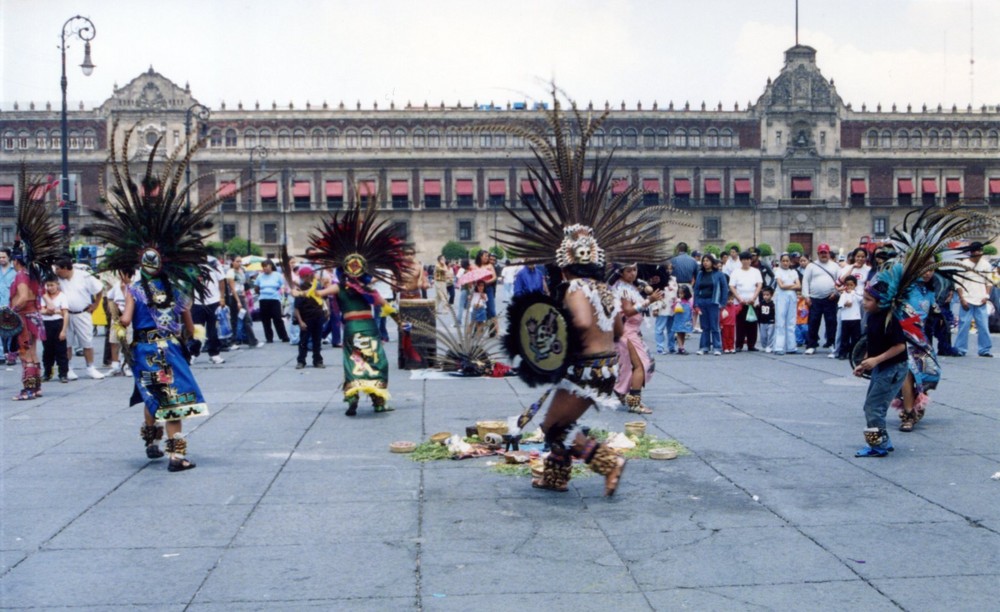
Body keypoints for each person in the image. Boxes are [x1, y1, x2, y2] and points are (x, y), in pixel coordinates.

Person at [82, 124, 235, 471]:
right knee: (175, 399)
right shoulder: (179, 290)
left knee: (152, 393)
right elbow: (189, 322)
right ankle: (177, 455)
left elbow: (123, 322)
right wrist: (192, 342)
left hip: (146, 350)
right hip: (171, 348)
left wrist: (118, 301)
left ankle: (151, 443)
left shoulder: (135, 290)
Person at [301, 197, 410, 417]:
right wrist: (401, 322)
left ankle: (352, 396)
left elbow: (315, 295)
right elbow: (387, 307)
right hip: (369, 328)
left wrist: (310, 285)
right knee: (377, 361)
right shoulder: (370, 290)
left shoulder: (338, 287)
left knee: (354, 361)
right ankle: (378, 401)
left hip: (351, 329)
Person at [852, 286, 908, 458]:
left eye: (868, 300)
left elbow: (900, 346)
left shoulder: (889, 319)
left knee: (873, 407)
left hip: (893, 368)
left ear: (880, 302)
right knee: (874, 405)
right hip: (882, 367)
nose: (864, 302)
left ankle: (878, 446)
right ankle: (884, 441)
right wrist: (864, 362)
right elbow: (873, 342)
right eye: (864, 298)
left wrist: (876, 360)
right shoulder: (872, 316)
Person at [612, 263, 663, 413]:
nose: (633, 273)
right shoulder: (622, 289)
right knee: (641, 365)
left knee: (633, 366)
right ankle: (634, 403)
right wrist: (649, 301)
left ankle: (622, 391)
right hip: (627, 333)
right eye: (629, 270)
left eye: (635, 270)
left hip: (631, 332)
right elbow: (628, 311)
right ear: (621, 272)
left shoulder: (628, 286)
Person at [54, 256, 106, 379]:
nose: (56, 272)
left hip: (82, 313)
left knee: (87, 341)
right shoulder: (58, 278)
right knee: (67, 343)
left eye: (58, 269)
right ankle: (68, 368)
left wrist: (96, 304)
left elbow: (99, 289)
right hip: (66, 314)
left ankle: (90, 368)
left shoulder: (84, 276)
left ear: (66, 268)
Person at [954, 241, 994, 358]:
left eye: (980, 251)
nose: (978, 253)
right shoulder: (963, 264)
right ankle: (960, 349)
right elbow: (958, 283)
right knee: (964, 325)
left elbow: (989, 282)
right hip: (967, 299)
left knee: (983, 326)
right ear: (971, 252)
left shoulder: (986, 264)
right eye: (976, 251)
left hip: (981, 299)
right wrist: (962, 298)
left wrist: (986, 296)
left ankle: (984, 349)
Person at [801, 243, 840, 355]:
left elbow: (840, 281)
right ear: (818, 254)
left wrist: (836, 293)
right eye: (821, 253)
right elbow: (805, 281)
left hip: (830, 298)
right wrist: (806, 296)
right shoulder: (811, 266)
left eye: (825, 252)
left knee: (831, 322)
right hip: (814, 299)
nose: (823, 255)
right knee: (813, 322)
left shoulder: (835, 266)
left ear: (828, 253)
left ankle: (832, 343)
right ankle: (811, 345)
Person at [191, 255, 227, 364]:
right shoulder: (190, 261)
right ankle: (193, 353)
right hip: (197, 302)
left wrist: (222, 297)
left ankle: (214, 354)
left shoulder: (213, 262)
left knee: (213, 330)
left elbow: (221, 280)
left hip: (213, 301)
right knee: (197, 329)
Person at [693, 254, 728, 355]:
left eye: (707, 261)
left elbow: (724, 289)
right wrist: (695, 303)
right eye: (704, 261)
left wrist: (723, 303)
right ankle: (704, 346)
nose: (705, 263)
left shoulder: (719, 274)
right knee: (704, 326)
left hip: (714, 302)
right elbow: (696, 289)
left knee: (714, 325)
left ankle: (717, 347)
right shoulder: (700, 274)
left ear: (712, 262)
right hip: (702, 301)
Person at [293, 266, 327, 369]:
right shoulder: (300, 289)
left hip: (318, 316)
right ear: (305, 276)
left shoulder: (318, 286)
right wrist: (300, 321)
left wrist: (327, 310)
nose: (311, 276)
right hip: (306, 318)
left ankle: (318, 360)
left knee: (317, 340)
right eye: (308, 275)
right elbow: (296, 308)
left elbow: (324, 299)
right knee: (304, 341)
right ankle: (301, 361)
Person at [729, 251, 763, 351]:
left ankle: (751, 344)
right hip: (740, 302)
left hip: (753, 301)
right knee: (740, 324)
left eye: (748, 259)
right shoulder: (736, 272)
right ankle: (739, 344)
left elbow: (759, 285)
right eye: (743, 259)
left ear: (750, 260)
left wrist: (754, 297)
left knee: (752, 324)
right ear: (741, 260)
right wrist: (739, 299)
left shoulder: (755, 271)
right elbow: (732, 286)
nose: (746, 261)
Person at [39, 275, 70, 383]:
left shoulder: (62, 296)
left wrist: (63, 330)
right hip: (46, 324)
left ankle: (63, 373)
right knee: (47, 351)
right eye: (48, 285)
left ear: (57, 285)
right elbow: (42, 310)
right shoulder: (44, 297)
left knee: (61, 351)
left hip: (58, 324)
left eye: (52, 285)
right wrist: (55, 310)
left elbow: (65, 314)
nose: (50, 288)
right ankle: (47, 372)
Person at [255, 259, 289, 343]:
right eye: (263, 267)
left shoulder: (277, 275)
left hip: (274, 298)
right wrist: (262, 292)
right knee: (265, 319)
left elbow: (282, 285)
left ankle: (283, 336)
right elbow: (257, 288)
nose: (265, 268)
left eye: (266, 266)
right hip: (263, 299)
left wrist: (281, 291)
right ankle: (269, 337)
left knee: (277, 318)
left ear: (271, 266)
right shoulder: (260, 276)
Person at [773, 253, 800, 355]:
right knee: (780, 321)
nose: (785, 263)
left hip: (792, 297)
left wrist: (788, 286)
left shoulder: (793, 272)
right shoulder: (778, 272)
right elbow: (781, 286)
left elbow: (798, 285)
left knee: (791, 321)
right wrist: (792, 285)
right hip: (781, 297)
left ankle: (791, 347)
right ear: (780, 262)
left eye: (787, 261)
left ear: (790, 262)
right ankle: (779, 347)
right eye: (783, 261)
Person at [652, 262, 678, 354]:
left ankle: (671, 347)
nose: (669, 271)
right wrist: (655, 307)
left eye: (671, 269)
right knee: (660, 328)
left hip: (672, 307)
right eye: (667, 268)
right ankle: (660, 347)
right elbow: (655, 293)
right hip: (661, 306)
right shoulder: (658, 279)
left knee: (672, 329)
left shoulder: (673, 279)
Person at [837, 276, 862, 360]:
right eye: (847, 285)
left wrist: (853, 293)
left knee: (855, 337)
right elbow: (840, 305)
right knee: (845, 337)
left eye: (851, 285)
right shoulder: (843, 295)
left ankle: (854, 353)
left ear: (855, 285)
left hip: (855, 318)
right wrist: (845, 304)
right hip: (846, 319)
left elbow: (861, 299)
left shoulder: (856, 294)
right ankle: (843, 352)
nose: (849, 287)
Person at [0, 248, 17, 365]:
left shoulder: (15, 271)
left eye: (3, 257)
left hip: (11, 305)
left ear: (9, 257)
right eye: (0, 257)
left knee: (11, 331)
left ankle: (11, 354)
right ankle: (1, 355)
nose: (1, 259)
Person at [671, 285, 694, 354]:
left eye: (682, 293)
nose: (680, 295)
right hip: (679, 320)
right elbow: (673, 308)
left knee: (683, 333)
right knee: (678, 333)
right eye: (679, 293)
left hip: (686, 320)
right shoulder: (678, 301)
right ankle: (681, 347)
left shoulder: (689, 302)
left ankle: (681, 347)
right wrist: (675, 303)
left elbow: (691, 310)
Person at [757, 286, 776, 353]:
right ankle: (764, 345)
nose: (765, 296)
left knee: (770, 334)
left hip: (771, 322)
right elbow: (758, 310)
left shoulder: (773, 304)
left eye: (767, 295)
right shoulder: (761, 303)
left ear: (771, 295)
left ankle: (769, 346)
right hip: (762, 322)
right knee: (763, 335)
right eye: (764, 295)